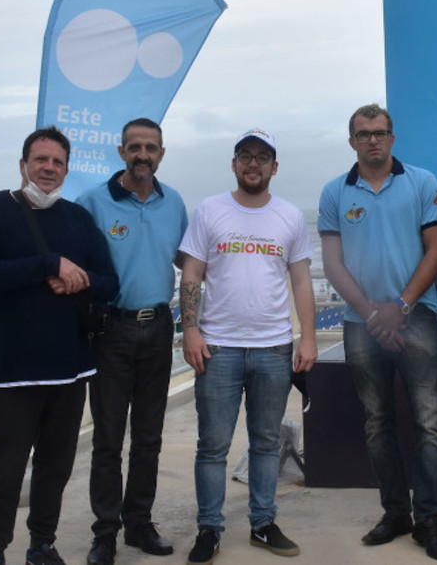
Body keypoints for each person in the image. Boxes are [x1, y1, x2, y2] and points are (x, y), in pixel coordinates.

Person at [0, 126, 118, 565]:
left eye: (57, 162)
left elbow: (110, 284)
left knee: (54, 468)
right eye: (40, 160)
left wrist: (77, 278)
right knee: (3, 470)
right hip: (13, 371)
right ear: (23, 165)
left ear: (67, 170)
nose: (48, 168)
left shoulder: (77, 218)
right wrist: (47, 264)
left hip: (70, 369)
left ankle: (42, 544)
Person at [318, 104, 437, 562]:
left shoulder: (422, 182)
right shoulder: (335, 192)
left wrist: (399, 307)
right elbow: (333, 264)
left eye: (379, 133)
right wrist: (374, 314)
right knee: (378, 423)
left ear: (392, 138)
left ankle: (429, 520)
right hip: (361, 324)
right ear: (352, 140)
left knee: (430, 424)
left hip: (414, 316)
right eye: (363, 134)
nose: (372, 140)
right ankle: (395, 513)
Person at [178, 128, 317, 565]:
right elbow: (192, 275)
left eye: (262, 157)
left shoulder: (290, 217)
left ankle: (262, 522)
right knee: (212, 446)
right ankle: (209, 528)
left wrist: (307, 337)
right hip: (217, 348)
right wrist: (191, 331)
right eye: (245, 156)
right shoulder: (209, 211)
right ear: (234, 164)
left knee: (265, 442)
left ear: (274, 167)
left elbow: (300, 280)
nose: (253, 164)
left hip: (274, 348)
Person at [77, 118, 188, 564]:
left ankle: (139, 524)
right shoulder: (93, 203)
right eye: (135, 147)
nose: (144, 155)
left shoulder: (173, 201)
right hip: (111, 331)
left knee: (148, 438)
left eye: (152, 148)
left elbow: (188, 258)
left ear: (162, 153)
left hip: (159, 327)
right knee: (107, 438)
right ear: (121, 151)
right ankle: (105, 533)